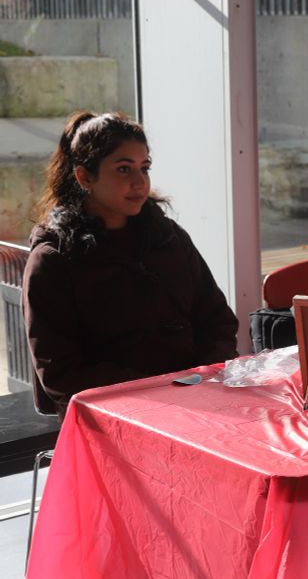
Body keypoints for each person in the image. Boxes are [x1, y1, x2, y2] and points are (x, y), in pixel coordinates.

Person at [22, 112, 239, 418]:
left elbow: (217, 319)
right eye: (123, 169)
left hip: (197, 402)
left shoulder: (169, 238)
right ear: (85, 177)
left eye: (144, 168)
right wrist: (158, 390)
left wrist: (205, 376)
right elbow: (61, 373)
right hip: (111, 418)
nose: (140, 182)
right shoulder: (54, 260)